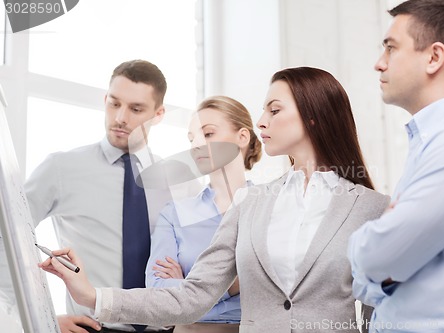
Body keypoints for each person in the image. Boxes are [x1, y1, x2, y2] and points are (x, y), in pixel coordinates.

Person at [39, 67, 390, 333]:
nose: (261, 121)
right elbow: (191, 296)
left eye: (274, 110)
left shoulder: (372, 208)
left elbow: (381, 312)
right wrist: (91, 296)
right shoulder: (251, 204)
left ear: (314, 116)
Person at [347, 1, 444, 332]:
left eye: (390, 48)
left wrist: (365, 247)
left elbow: (379, 256)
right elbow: (368, 283)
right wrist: (381, 264)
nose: (378, 64)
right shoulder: (431, 141)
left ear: (434, 57)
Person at [25, 60, 176, 333]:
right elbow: (8, 243)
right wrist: (40, 316)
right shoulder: (61, 168)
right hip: (92, 327)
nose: (120, 117)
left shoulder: (177, 181)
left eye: (136, 109)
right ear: (105, 99)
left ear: (159, 114)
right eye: (114, 103)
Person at [145, 95, 262, 333]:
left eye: (208, 134)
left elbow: (282, 292)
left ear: (242, 137)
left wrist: (190, 290)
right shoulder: (175, 214)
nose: (196, 145)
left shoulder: (271, 208)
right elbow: (158, 299)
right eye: (192, 138)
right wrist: (234, 284)